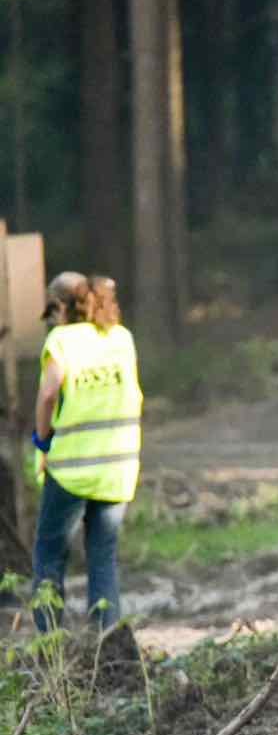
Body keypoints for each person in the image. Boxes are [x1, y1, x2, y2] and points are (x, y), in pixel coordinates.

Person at [29, 270, 143, 631]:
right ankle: (108, 642)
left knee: (49, 554)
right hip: (118, 467)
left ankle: (48, 644)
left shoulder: (62, 340)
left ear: (61, 306)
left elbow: (49, 393)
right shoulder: (121, 337)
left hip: (71, 468)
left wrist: (41, 440)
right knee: (103, 557)